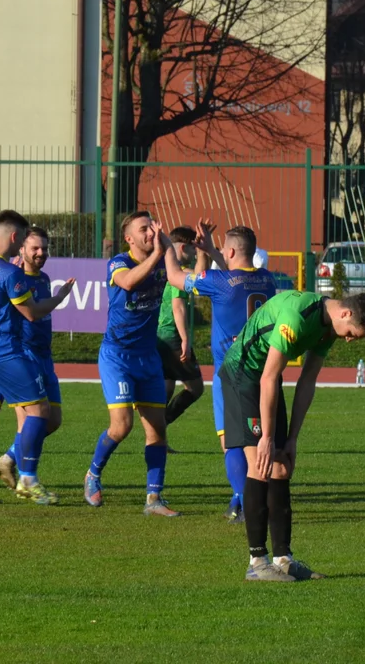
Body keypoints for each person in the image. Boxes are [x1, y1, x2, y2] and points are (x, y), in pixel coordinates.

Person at [221, 290, 365, 581]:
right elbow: (268, 376)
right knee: (261, 464)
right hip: (243, 376)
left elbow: (307, 380)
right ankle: (257, 563)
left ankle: (283, 559)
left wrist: (292, 437)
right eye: (352, 334)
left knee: (281, 467)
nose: (348, 339)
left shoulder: (327, 328)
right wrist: (268, 437)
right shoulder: (298, 318)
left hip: (266, 379)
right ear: (345, 314)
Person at [0, 210, 75, 505]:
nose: (25, 246)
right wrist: (61, 298)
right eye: (24, 240)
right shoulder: (10, 273)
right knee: (39, 413)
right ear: (15, 238)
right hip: (5, 352)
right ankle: (28, 480)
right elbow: (32, 313)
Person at [168, 223, 276, 524]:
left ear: (230, 251)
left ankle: (246, 502)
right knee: (256, 441)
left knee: (231, 442)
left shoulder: (218, 281)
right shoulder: (267, 280)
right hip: (262, 371)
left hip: (229, 374)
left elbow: (176, 277)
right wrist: (213, 249)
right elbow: (237, 275)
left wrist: (166, 245)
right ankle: (245, 499)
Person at [83, 211, 185, 516]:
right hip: (118, 356)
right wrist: (157, 253)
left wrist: (177, 248)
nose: (150, 233)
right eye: (144, 229)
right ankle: (92, 475)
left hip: (147, 357)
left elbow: (182, 277)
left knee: (157, 430)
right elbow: (127, 282)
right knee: (122, 426)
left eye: (153, 227)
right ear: (129, 238)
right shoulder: (119, 262)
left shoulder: (160, 259)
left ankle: (154, 499)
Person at [0, 226, 65, 491]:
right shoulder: (13, 277)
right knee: (29, 420)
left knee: (53, 420)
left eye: (44, 247)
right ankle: (27, 481)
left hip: (45, 356)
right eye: (35, 248)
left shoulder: (43, 278)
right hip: (23, 356)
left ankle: (8, 459)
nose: (41, 252)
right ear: (21, 248)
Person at [156, 226, 206, 447]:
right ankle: (161, 424)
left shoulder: (165, 268)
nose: (195, 255)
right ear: (184, 247)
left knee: (167, 386)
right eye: (194, 250)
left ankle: (158, 438)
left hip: (160, 335)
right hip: (172, 336)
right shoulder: (179, 273)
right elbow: (178, 306)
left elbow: (201, 278)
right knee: (195, 388)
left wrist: (205, 251)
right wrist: (185, 338)